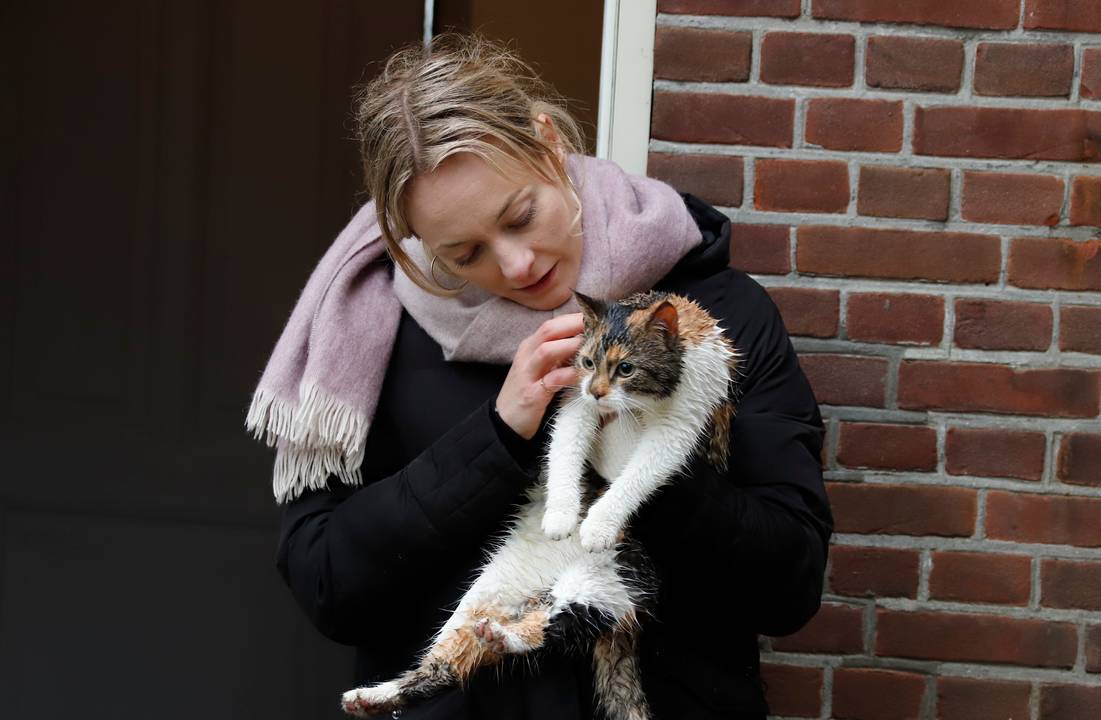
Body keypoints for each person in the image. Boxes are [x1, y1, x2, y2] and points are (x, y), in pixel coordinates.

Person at [254, 33, 832, 720]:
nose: (518, 265)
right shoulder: (368, 335)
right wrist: (497, 438)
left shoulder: (715, 313)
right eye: (466, 254)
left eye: (521, 215)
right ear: (416, 242)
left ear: (550, 142)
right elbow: (328, 586)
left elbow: (789, 586)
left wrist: (642, 456)